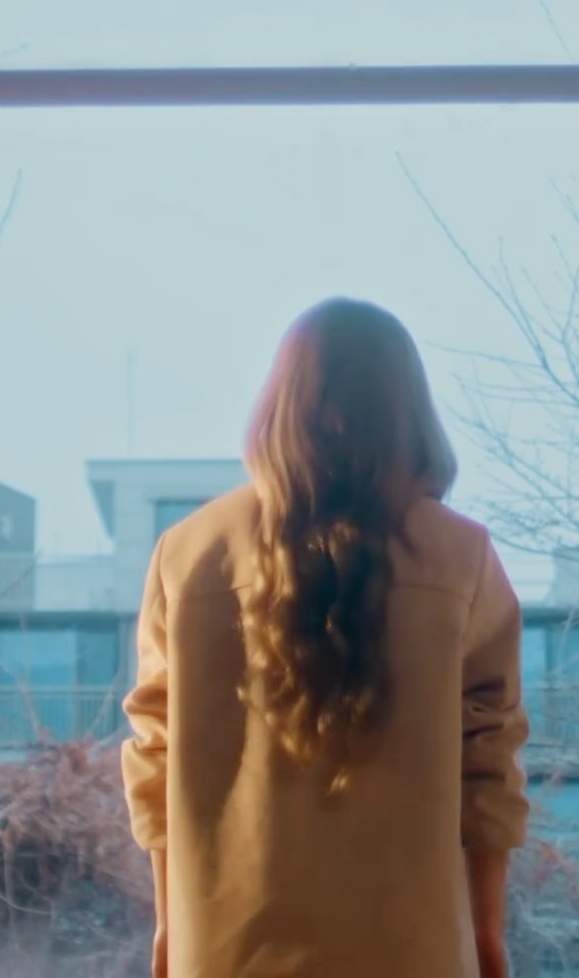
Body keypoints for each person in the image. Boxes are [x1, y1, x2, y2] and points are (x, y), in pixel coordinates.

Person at [121, 298, 529, 978]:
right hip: (413, 952)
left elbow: (154, 763)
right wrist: (487, 936)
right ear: (407, 411)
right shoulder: (463, 557)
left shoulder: (186, 555)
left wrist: (170, 928)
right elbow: (489, 766)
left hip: (224, 954)